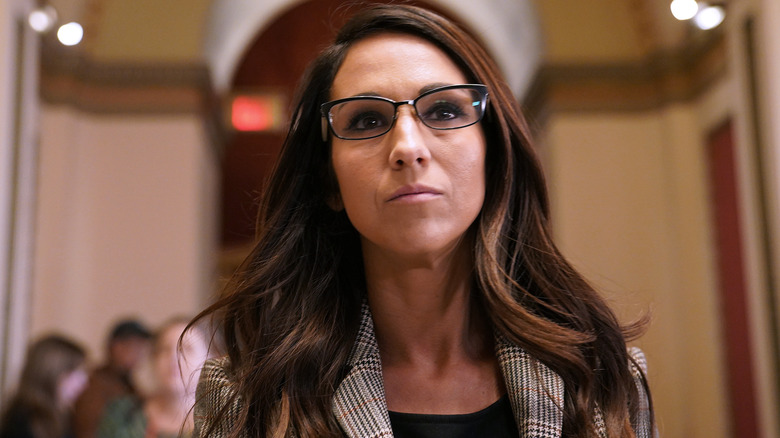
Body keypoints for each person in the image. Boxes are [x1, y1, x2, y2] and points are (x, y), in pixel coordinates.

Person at [192, 4, 654, 438]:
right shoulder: (249, 395)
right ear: (329, 183)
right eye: (366, 120)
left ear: (494, 158)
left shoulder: (602, 379)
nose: (408, 148)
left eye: (445, 111)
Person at [95, 317, 211, 438]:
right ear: (153, 358)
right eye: (165, 349)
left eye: (187, 348)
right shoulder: (121, 414)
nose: (174, 358)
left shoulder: (223, 422)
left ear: (210, 359)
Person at [73, 319, 151, 438]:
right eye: (134, 346)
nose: (139, 354)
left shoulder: (129, 384)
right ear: (115, 347)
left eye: (142, 347)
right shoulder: (93, 385)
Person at [0, 334, 88, 438]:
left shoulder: (59, 416)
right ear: (50, 373)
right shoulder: (23, 421)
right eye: (73, 372)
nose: (83, 381)